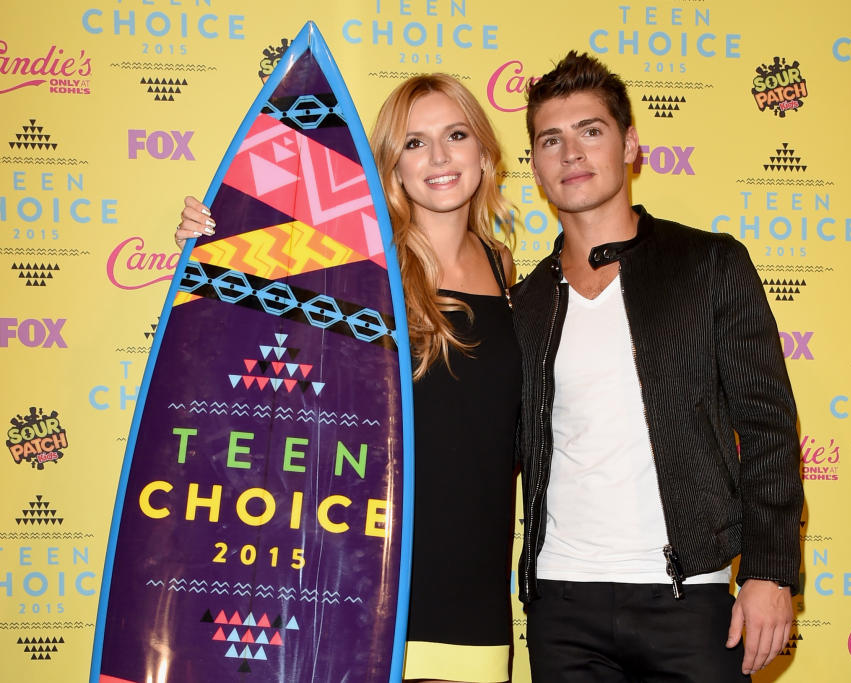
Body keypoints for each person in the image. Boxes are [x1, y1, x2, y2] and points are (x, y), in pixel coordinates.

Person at [177, 74, 520, 683]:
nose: (439, 158)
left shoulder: (505, 266)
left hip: (475, 590)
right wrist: (208, 253)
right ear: (390, 167)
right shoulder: (352, 265)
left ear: (485, 152)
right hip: (360, 587)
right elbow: (245, 367)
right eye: (414, 143)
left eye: (456, 135)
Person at [511, 51, 804, 682]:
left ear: (631, 145)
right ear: (534, 164)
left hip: (689, 600)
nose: (572, 154)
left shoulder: (708, 265)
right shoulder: (527, 300)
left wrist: (771, 570)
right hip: (563, 603)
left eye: (591, 131)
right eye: (550, 140)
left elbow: (767, 426)